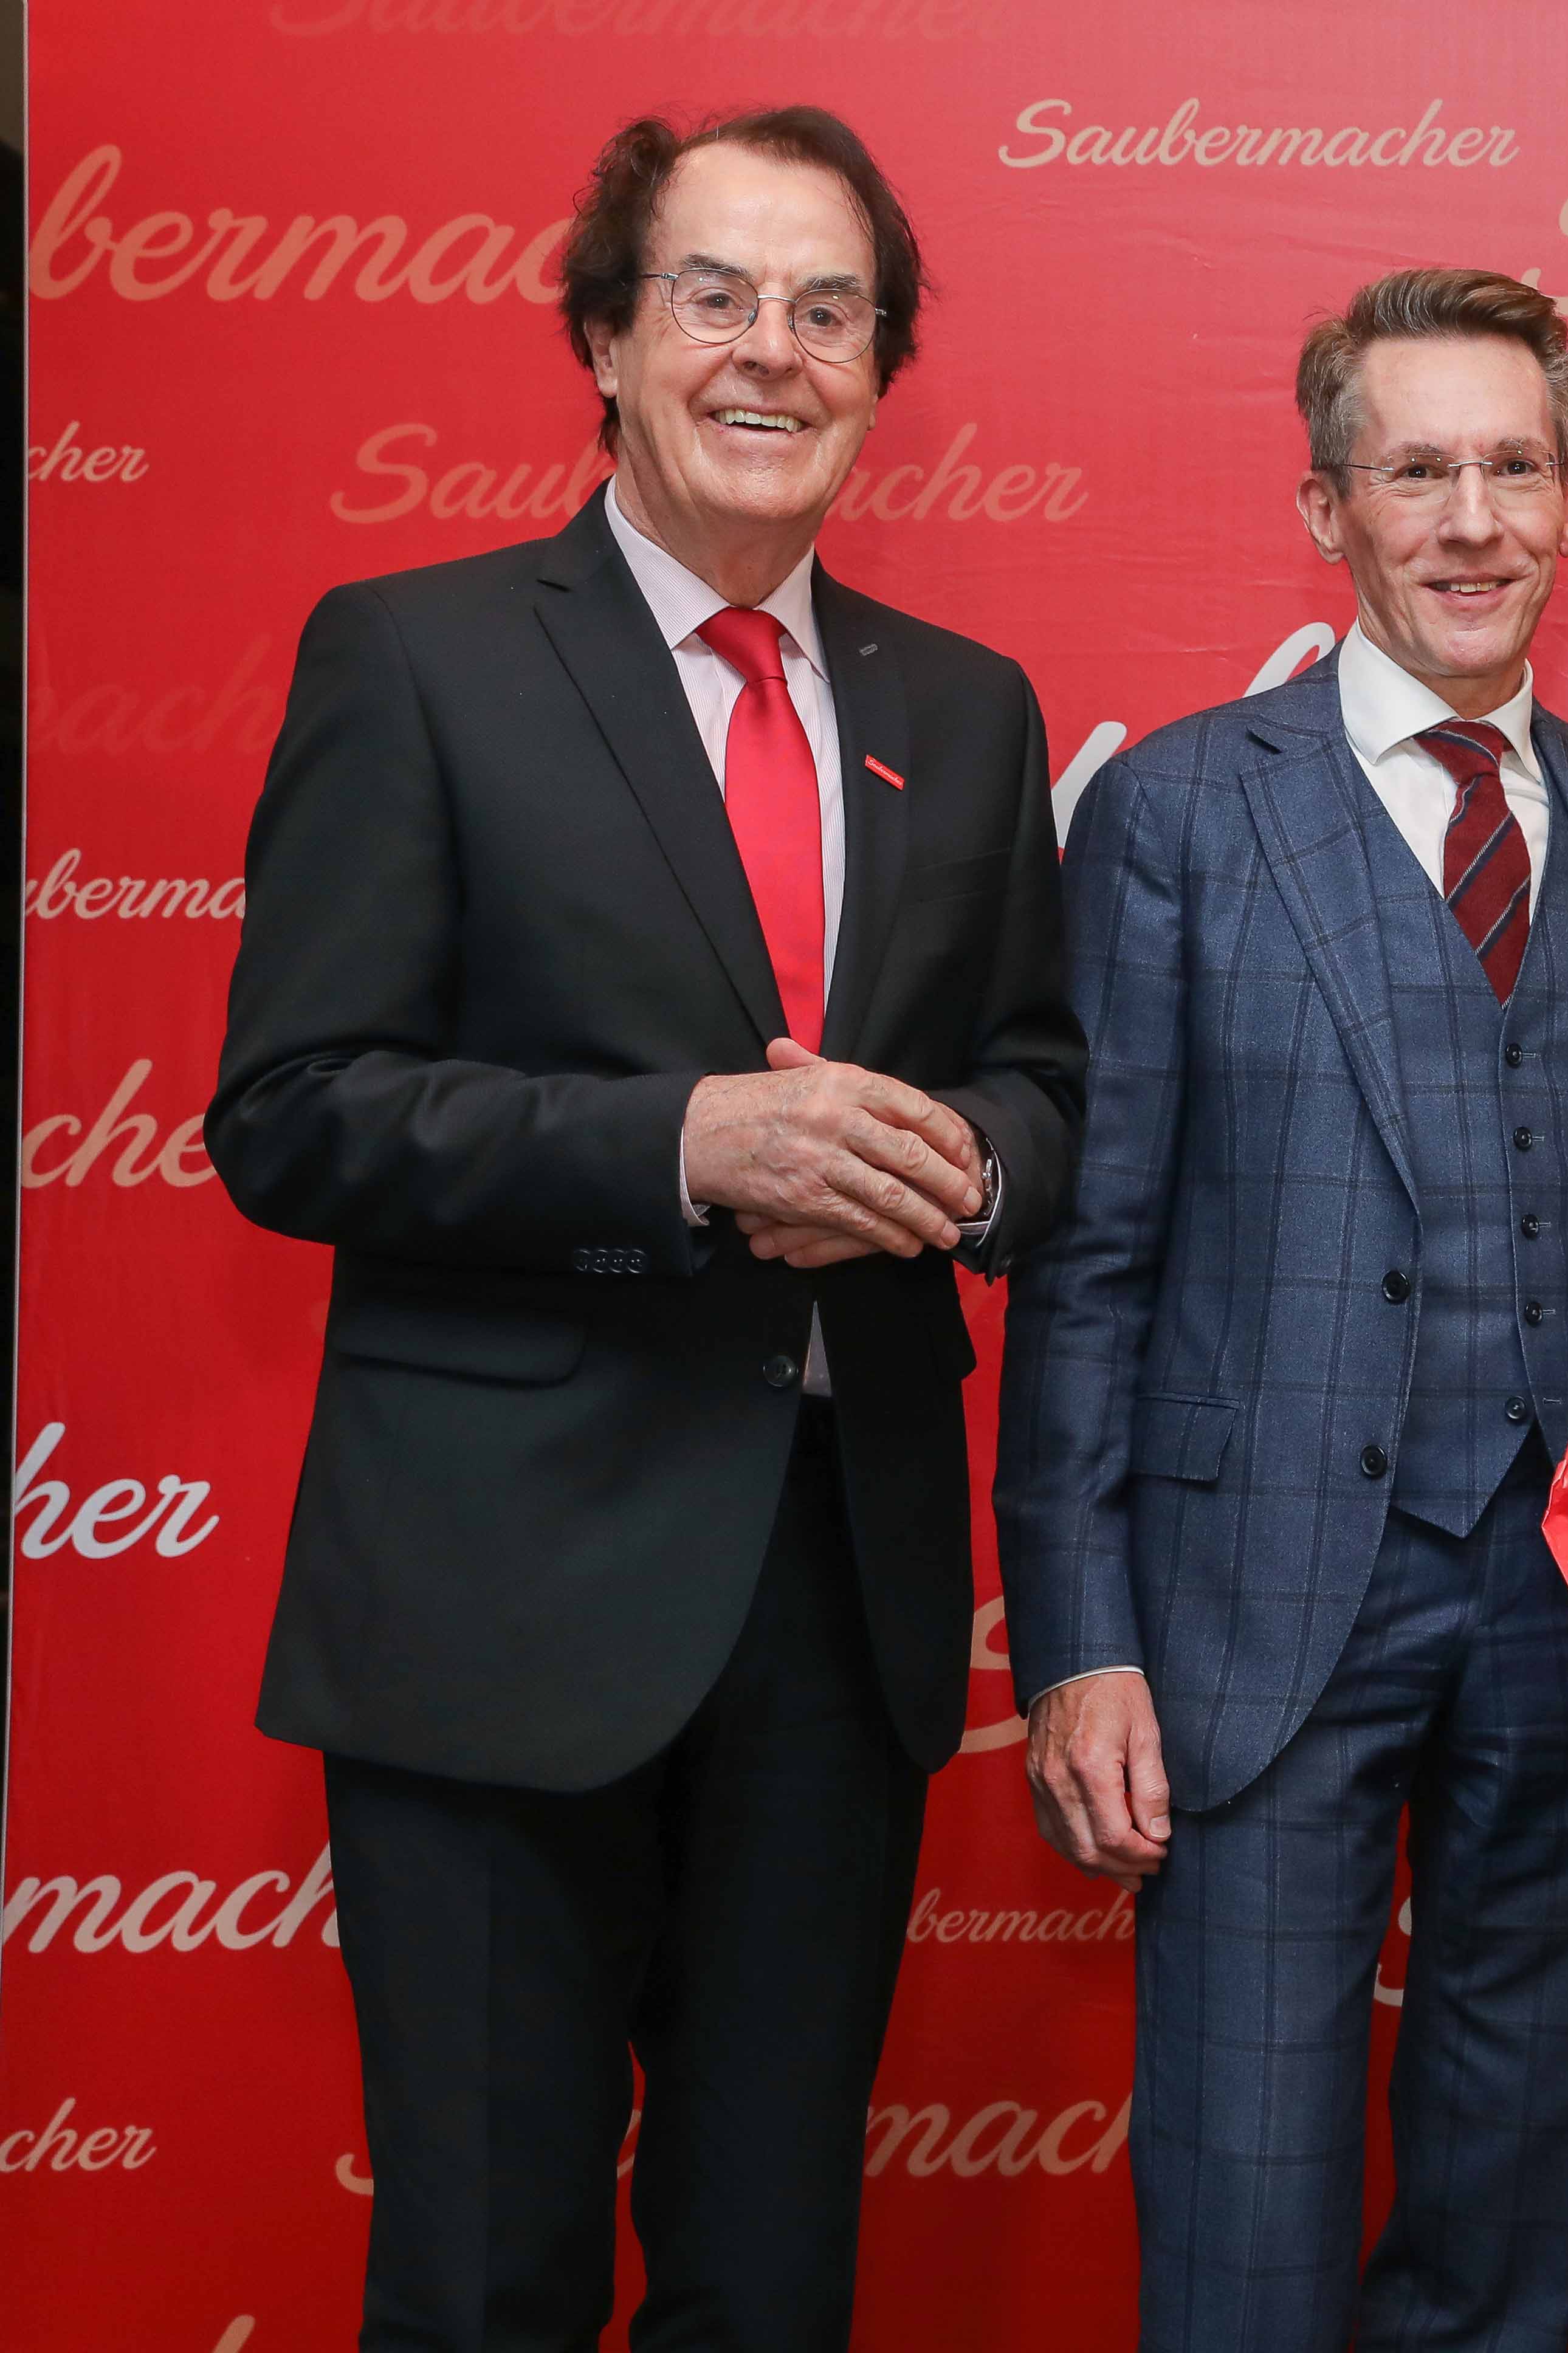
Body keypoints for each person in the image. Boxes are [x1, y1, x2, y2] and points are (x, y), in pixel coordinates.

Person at [207, 107, 1081, 2349]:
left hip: (839, 1605)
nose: (773, 350)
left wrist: (964, 1166)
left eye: (830, 312)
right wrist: (687, 1150)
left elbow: (1044, 1085)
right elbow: (295, 1114)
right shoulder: (417, 656)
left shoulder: (967, 709)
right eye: (715, 296)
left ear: (881, 370)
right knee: (483, 2280)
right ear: (605, 338)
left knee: (772, 2284)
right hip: (502, 1597)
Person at [994, 266, 1568, 2353]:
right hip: (1257, 1610)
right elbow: (1089, 1263)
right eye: (1419, 472)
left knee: (1511, 2227)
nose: (1474, 521)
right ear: (1327, 507)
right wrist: (1082, 1642)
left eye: (1517, 467)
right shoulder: (1177, 811)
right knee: (1244, 2224)